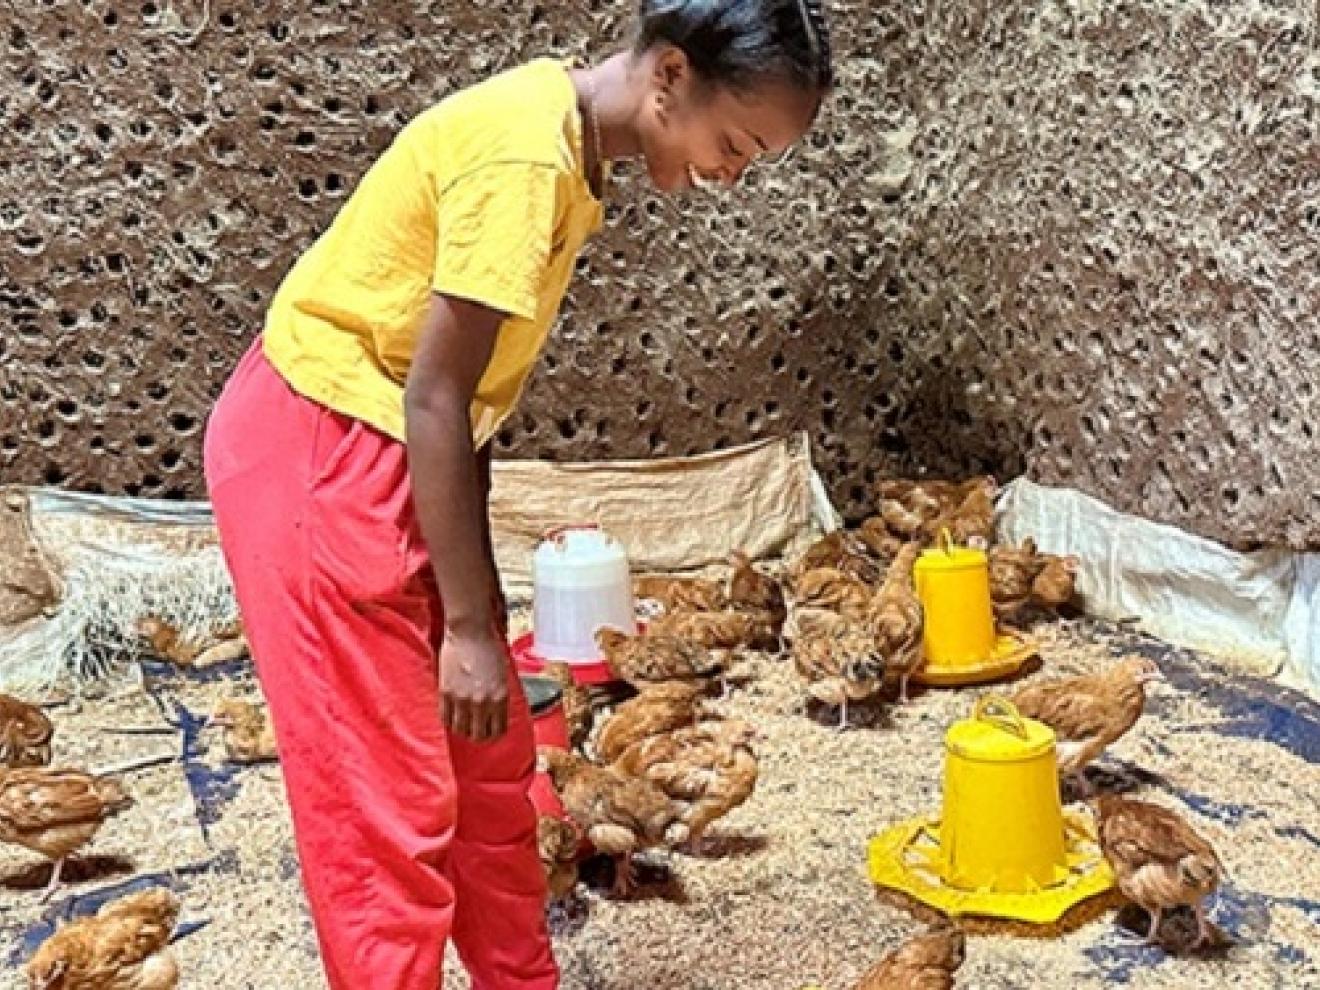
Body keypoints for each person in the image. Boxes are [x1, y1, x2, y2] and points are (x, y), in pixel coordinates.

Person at [203, 1, 832, 987]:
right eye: (737, 142)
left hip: (396, 449)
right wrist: (463, 626)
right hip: (319, 450)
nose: (732, 173)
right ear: (670, 74)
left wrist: (482, 612)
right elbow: (435, 395)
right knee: (389, 816)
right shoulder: (525, 161)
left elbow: (468, 406)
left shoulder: (566, 145)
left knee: (490, 774)